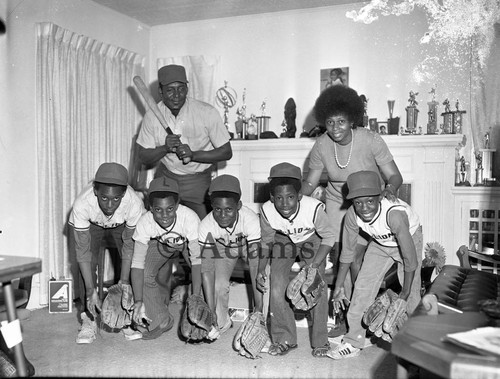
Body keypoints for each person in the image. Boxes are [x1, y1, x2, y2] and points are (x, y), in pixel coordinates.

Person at [302, 85, 403, 289]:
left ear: (352, 120)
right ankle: (348, 306)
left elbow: (395, 176)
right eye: (330, 122)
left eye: (341, 121)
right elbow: (311, 182)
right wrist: (296, 196)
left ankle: (359, 306)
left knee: (355, 254)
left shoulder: (370, 139)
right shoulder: (322, 144)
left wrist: (389, 190)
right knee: (343, 257)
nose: (335, 128)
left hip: (368, 200)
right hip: (337, 201)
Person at [328, 171, 422, 359]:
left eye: (370, 201)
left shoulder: (394, 215)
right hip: (380, 244)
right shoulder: (352, 216)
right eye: (358, 203)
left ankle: (416, 344)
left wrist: (404, 294)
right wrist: (338, 287)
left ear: (379, 197)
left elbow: (409, 259)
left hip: (409, 238)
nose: (364, 208)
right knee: (362, 287)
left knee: (411, 295)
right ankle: (353, 341)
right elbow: (346, 254)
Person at [256, 163, 334, 357]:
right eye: (279, 198)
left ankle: (320, 341)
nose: (284, 204)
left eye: (290, 197)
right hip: (284, 239)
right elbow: (266, 242)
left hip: (313, 239)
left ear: (299, 195)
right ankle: (285, 339)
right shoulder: (267, 210)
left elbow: (329, 237)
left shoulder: (313, 207)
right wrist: (260, 270)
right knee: (277, 283)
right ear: (272, 197)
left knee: (315, 284)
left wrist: (314, 267)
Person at [135, 64, 233, 220]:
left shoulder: (206, 112)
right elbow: (143, 156)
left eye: (181, 89)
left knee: (203, 228)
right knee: (157, 223)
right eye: (170, 90)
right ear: (160, 91)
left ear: (187, 89)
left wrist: (193, 155)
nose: (176, 95)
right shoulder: (151, 116)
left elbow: (226, 152)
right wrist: (164, 148)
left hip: (198, 179)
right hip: (166, 176)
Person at [68, 162, 146, 344]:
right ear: (95, 191)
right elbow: (83, 253)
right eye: (104, 198)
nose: (109, 205)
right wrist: (90, 290)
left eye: (115, 199)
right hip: (92, 224)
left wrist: (124, 283)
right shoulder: (82, 204)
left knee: (132, 263)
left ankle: (126, 317)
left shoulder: (134, 204)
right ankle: (88, 318)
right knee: (87, 264)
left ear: (124, 194)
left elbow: (129, 247)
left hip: (122, 224)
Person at [130, 177, 202, 340]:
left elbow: (197, 261)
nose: (164, 215)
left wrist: (196, 296)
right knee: (145, 273)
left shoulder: (189, 217)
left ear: (177, 205)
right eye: (158, 210)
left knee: (204, 272)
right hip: (162, 243)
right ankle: (161, 319)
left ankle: (200, 317)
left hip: (186, 243)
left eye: (170, 209)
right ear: (150, 208)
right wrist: (139, 300)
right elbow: (137, 264)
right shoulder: (145, 222)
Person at [199, 175, 263, 336]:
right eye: (217, 209)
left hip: (246, 245)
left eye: (229, 209)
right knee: (218, 284)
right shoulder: (206, 225)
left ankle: (262, 320)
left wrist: (258, 309)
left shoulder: (250, 219)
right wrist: (210, 310)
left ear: (239, 206)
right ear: (211, 206)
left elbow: (255, 265)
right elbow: (207, 269)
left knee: (264, 279)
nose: (222, 215)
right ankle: (220, 322)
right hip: (223, 248)